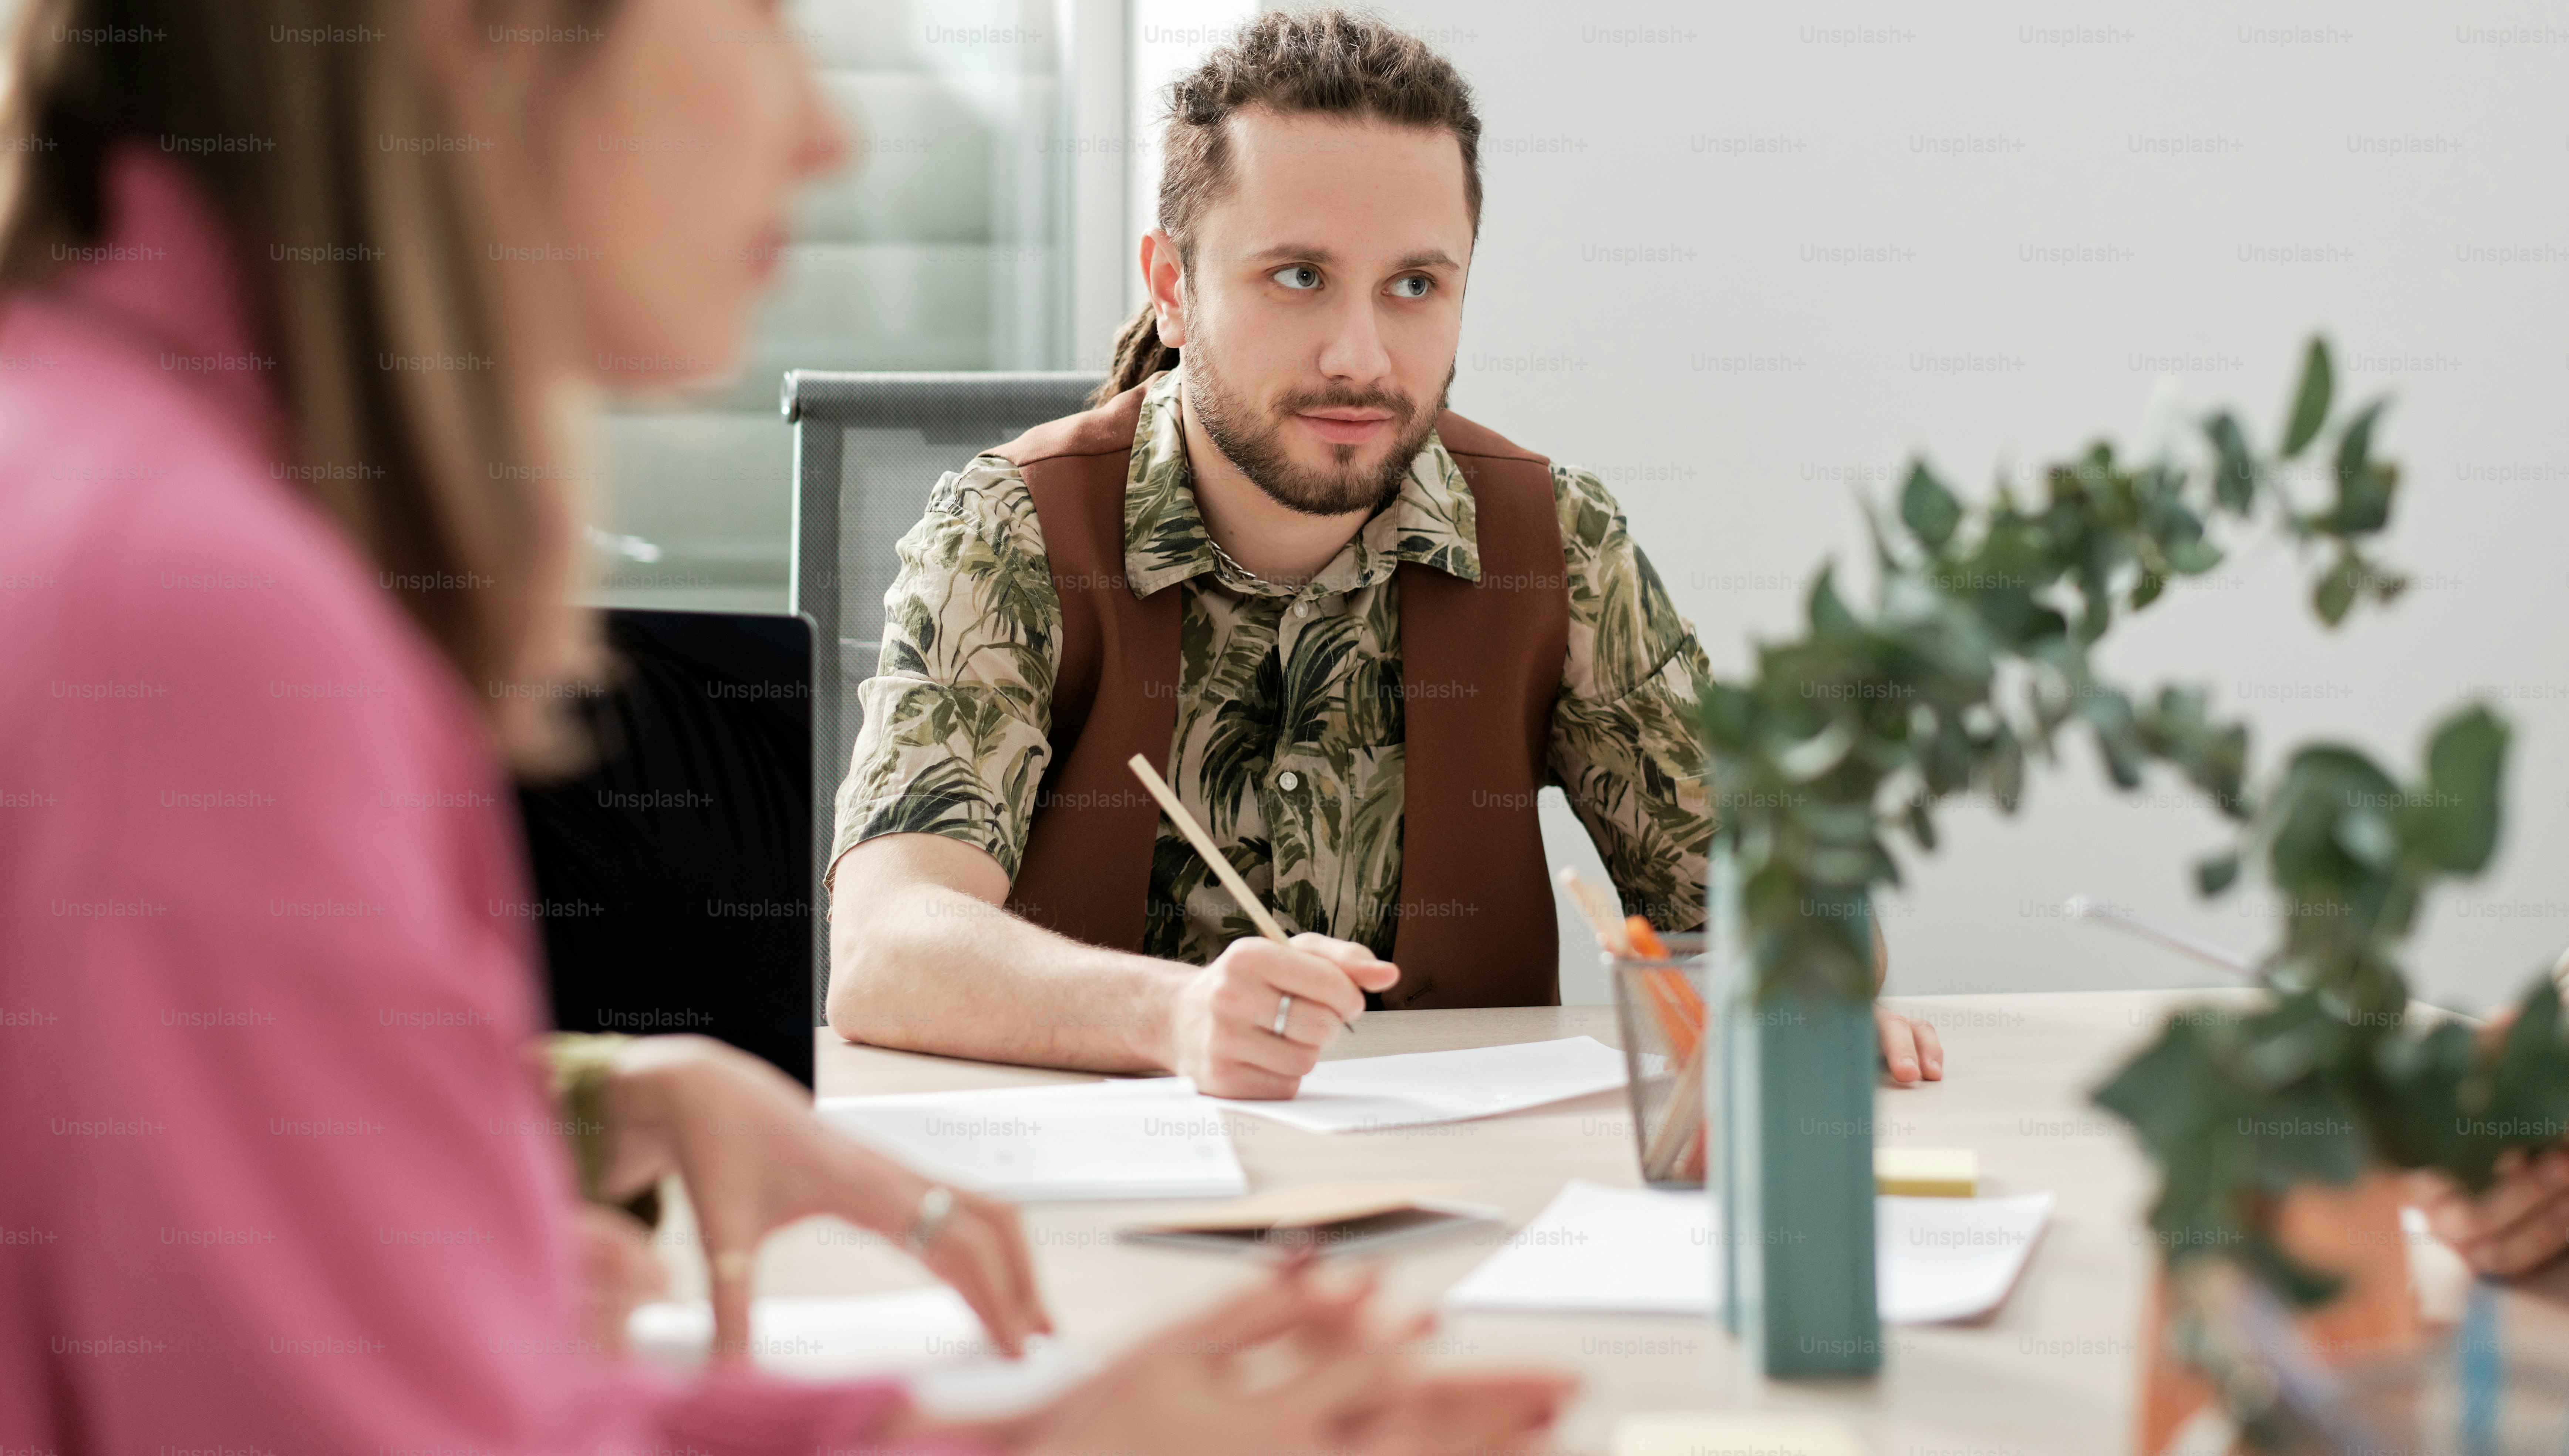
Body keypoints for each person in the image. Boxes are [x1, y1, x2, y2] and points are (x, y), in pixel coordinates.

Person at [0, 1, 1572, 1452]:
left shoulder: (110, 480)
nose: (828, 135)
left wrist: (580, 1107)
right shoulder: (196, 625)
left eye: (1416, 283)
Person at [823, 9, 1945, 1096]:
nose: (1362, 358)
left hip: (1476, 1219)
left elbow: (1775, 905)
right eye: (1299, 276)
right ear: (1172, 286)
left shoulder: (1560, 544)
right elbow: (886, 949)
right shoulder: (1009, 531)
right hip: (1099, 1224)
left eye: (1415, 285)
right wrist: (1171, 1018)